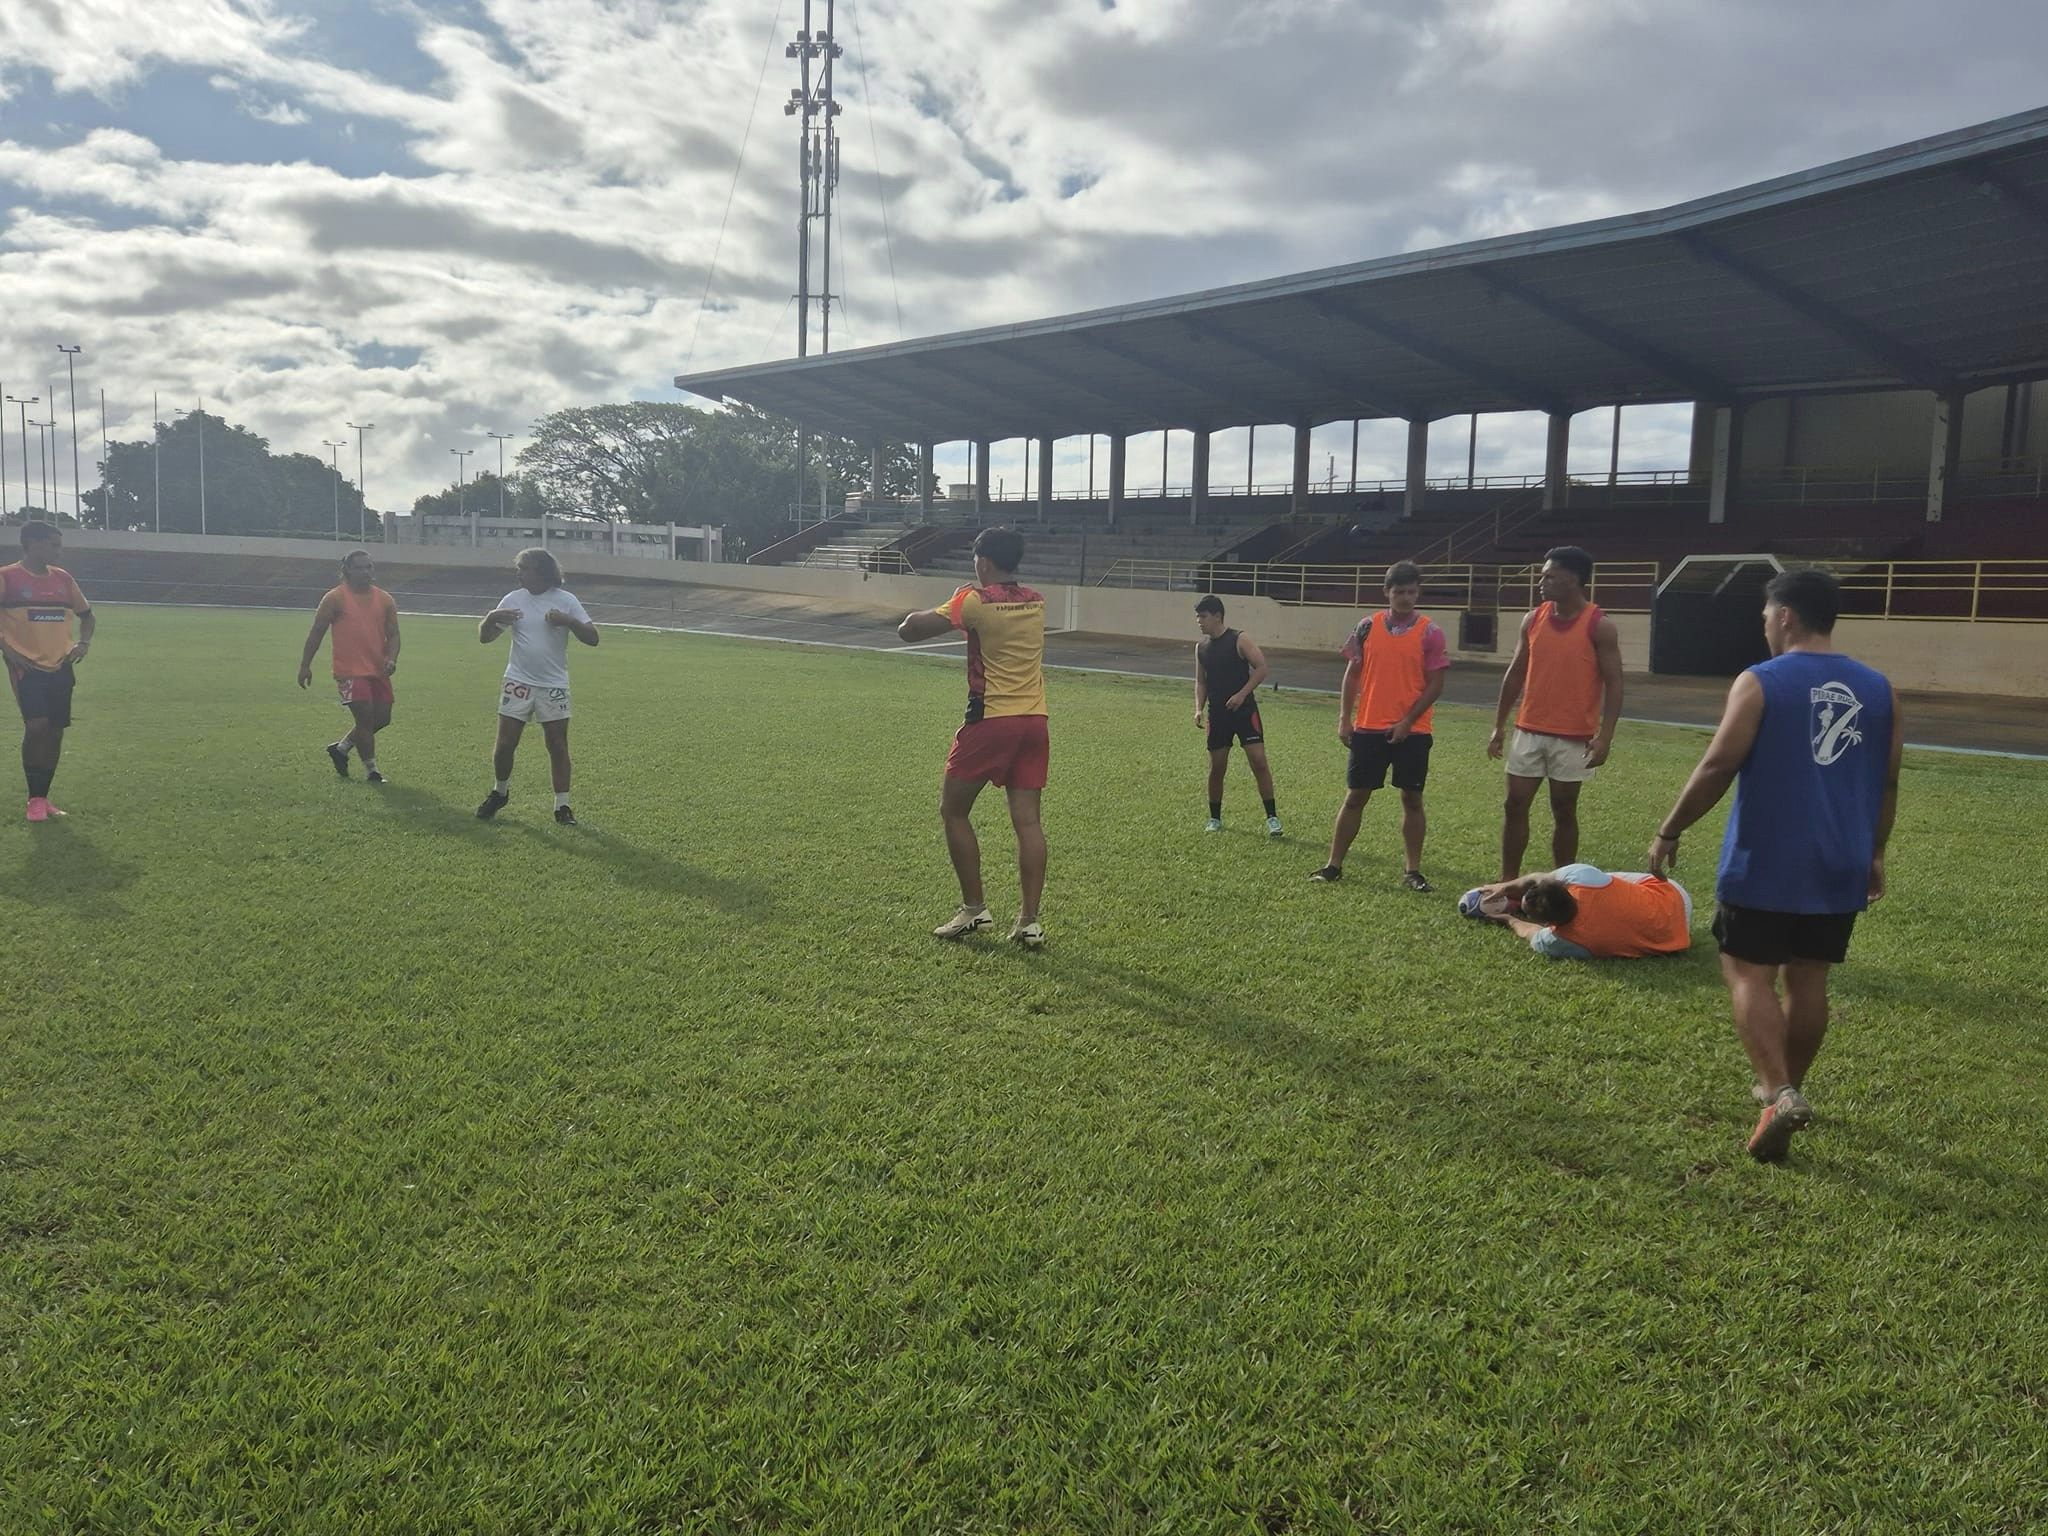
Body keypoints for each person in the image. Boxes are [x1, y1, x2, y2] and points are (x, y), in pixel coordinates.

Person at [1648, 568, 1901, 1163]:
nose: (1763, 625)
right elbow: (1887, 782)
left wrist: (1670, 829)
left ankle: (1776, 1089)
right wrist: (1875, 853)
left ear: (1785, 615)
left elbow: (1717, 766)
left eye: (1765, 615)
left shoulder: (1760, 681)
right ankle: (1785, 1091)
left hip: (1768, 857)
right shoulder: (1882, 689)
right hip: (1840, 859)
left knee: (1747, 972)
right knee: (1809, 978)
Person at [896, 526, 1048, 948]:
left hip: (991, 719)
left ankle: (974, 909)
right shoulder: (1036, 601)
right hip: (1034, 719)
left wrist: (954, 599)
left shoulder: (973, 600)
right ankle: (1029, 921)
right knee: (1029, 822)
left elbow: (909, 629)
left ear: (982, 562)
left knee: (953, 809)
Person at [1487, 546, 1624, 880]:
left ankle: (1562, 883)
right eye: (1542, 575)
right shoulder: (1533, 619)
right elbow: (1516, 672)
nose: (1541, 581)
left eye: (1549, 575)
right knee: (1514, 804)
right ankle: (1508, 883)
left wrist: (1605, 736)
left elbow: (1615, 683)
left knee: (1564, 809)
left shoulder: (1599, 625)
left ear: (1573, 580)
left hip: (1573, 737)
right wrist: (1499, 726)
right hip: (1529, 729)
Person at [1310, 561, 1448, 889]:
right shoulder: (1366, 627)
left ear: (1418, 592)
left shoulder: (1430, 631)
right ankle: (1333, 865)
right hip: (1368, 727)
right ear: (1387, 592)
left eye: (1411, 592)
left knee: (1412, 799)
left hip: (1413, 732)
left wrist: (1407, 721)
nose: (1405, 598)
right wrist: (1345, 718)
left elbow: (1435, 684)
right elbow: (1352, 673)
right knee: (1355, 796)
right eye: (1399, 592)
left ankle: (1412, 871)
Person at [474, 547, 599, 826]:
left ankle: (562, 806)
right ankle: (500, 792)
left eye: (524, 568)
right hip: (517, 680)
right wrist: (491, 617)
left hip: (553, 684)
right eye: (519, 568)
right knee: (505, 744)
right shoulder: (513, 599)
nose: (519, 573)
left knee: (557, 745)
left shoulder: (566, 601)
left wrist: (568, 621)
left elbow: (593, 638)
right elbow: (486, 638)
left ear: (542, 571)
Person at [1, 520, 94, 822]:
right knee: (37, 727)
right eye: (53, 544)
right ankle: (33, 799)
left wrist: (83, 642)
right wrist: (8, 649)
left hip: (61, 665)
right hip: (27, 667)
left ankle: (43, 796)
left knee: (54, 732)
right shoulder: (7, 578)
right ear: (32, 543)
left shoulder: (64, 579)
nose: (59, 551)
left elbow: (87, 615)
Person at [297, 549, 400, 783]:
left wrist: (391, 658)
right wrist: (305, 665)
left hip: (378, 670)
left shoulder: (384, 599)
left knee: (382, 719)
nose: (365, 572)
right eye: (359, 567)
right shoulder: (335, 598)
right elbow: (317, 633)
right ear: (346, 571)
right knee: (364, 720)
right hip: (350, 671)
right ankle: (372, 771)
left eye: (369, 567)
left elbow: (394, 635)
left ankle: (341, 749)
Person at [1458, 864, 1692, 959]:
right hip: (1676, 901)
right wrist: (1507, 888)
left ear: (1549, 923)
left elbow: (1528, 931)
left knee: (1608, 880)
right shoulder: (1582, 878)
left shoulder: (1561, 941)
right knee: (1608, 879)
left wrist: (1509, 919)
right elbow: (1539, 878)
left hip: (1677, 928)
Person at [1193, 595, 1280, 836]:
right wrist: (1199, 708)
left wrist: (1242, 695)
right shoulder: (1201, 648)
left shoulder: (1239, 639)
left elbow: (1261, 668)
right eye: (1198, 617)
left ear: (1218, 616)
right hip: (1218, 715)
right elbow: (1201, 681)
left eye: (1203, 616)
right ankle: (1215, 818)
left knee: (1259, 762)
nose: (1199, 621)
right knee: (1217, 768)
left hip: (1244, 712)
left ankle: (1272, 817)